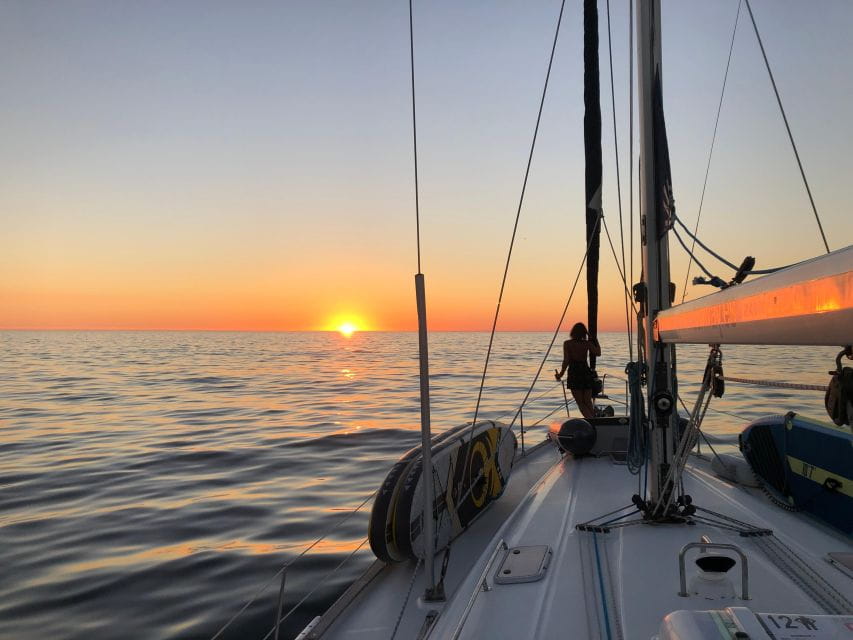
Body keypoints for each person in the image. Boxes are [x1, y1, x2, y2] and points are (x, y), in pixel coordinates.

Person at [555, 322, 601, 419]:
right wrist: (595, 340)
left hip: (574, 372)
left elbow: (566, 360)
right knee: (587, 401)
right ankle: (594, 420)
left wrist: (561, 374)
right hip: (585, 370)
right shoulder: (587, 343)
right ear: (584, 333)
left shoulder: (567, 343)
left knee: (580, 402)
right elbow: (598, 353)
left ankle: (591, 420)